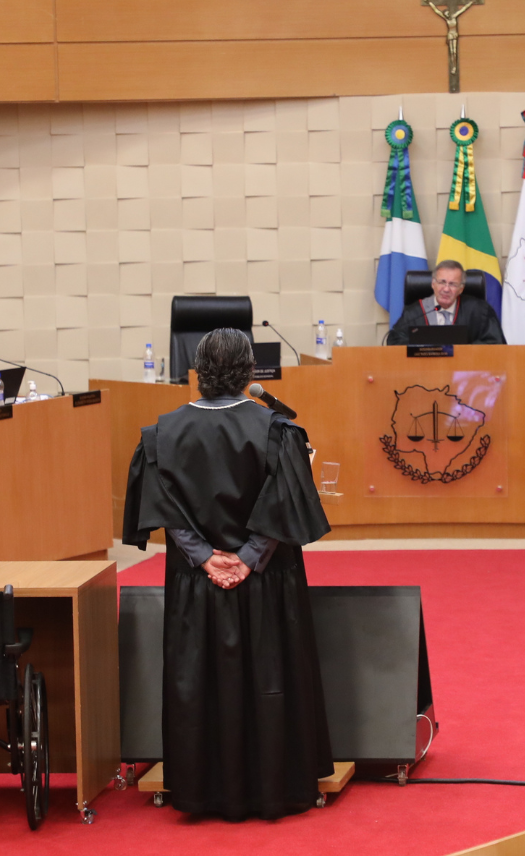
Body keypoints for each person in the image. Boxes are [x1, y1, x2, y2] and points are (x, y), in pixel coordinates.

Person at [121, 327, 333, 821]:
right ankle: (274, 787)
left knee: (199, 684)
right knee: (270, 678)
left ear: (197, 373)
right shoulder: (276, 431)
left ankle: (202, 791)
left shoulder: (161, 433)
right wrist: (248, 556)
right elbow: (283, 502)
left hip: (196, 585)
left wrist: (203, 556)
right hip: (265, 582)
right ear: (249, 372)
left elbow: (163, 506)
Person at [385, 259, 506, 346]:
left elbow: (495, 343)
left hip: (465, 371)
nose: (446, 289)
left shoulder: (479, 311)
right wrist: (424, 348)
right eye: (442, 282)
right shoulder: (414, 313)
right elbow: (395, 341)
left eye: (453, 284)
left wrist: (463, 351)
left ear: (461, 289)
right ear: (433, 284)